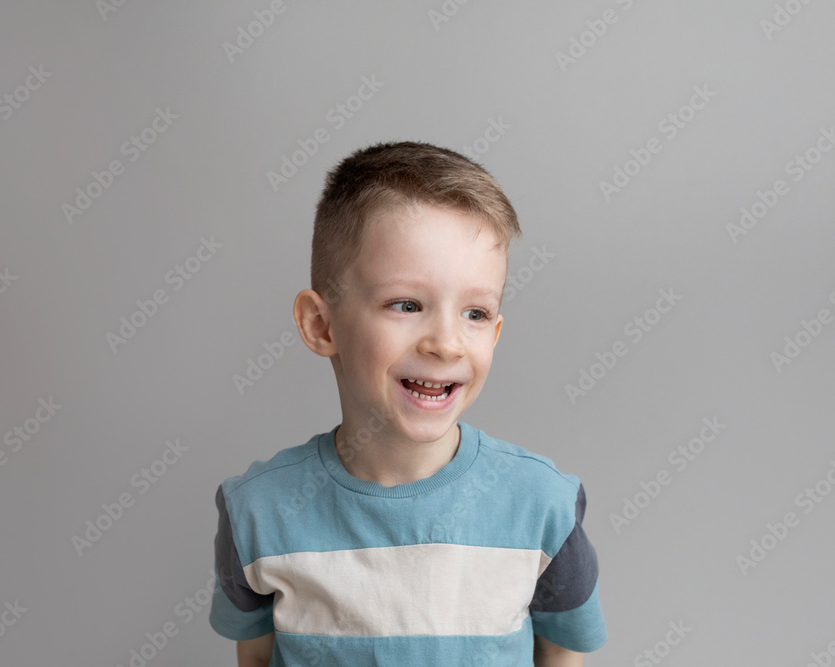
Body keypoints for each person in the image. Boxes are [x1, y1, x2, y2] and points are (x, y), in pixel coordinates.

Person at [209, 141, 607, 666]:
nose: (445, 343)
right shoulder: (258, 512)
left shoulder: (542, 507)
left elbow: (562, 653)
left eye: (476, 313)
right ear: (321, 324)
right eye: (407, 304)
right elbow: (255, 658)